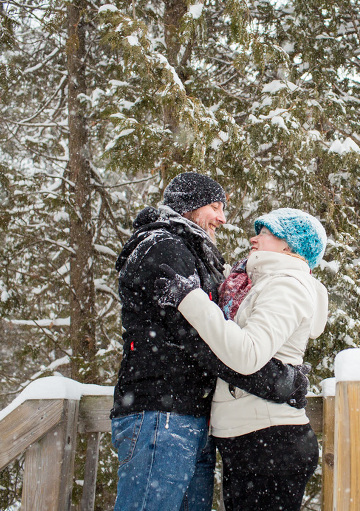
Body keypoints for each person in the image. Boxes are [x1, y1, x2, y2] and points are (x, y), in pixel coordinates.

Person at [111, 174, 310, 511]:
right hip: (162, 414)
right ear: (189, 206)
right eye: (215, 207)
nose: (223, 218)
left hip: (189, 414)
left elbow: (215, 334)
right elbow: (200, 339)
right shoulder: (163, 246)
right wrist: (279, 381)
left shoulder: (193, 252)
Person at [155, 208, 329, 511]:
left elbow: (247, 354)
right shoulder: (259, 283)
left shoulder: (286, 284)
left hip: (271, 441)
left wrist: (190, 299)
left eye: (264, 233)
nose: (253, 238)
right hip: (252, 440)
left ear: (289, 245)